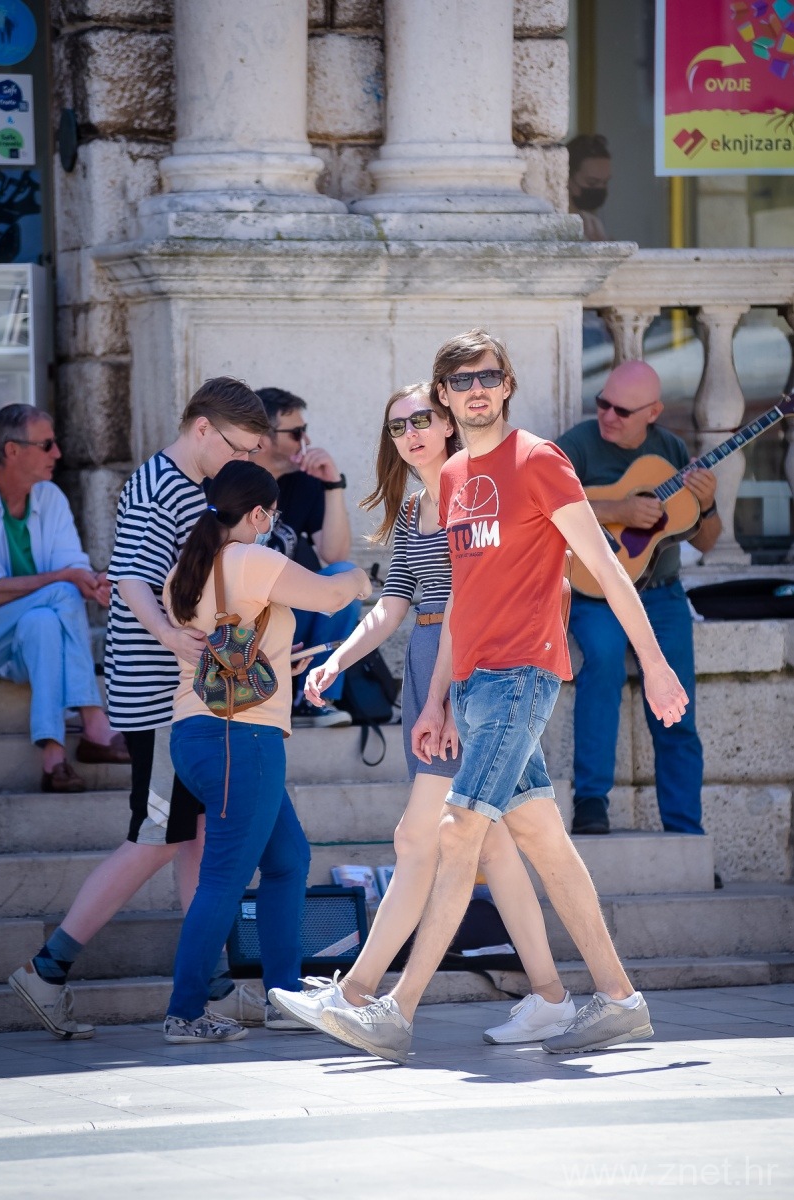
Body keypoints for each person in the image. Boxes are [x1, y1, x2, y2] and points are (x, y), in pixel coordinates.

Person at [317, 328, 690, 1064]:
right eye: (460, 382)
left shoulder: (540, 460)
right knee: (543, 841)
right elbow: (463, 597)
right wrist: (437, 701)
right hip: (471, 684)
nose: (476, 390)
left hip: (522, 675)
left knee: (458, 832)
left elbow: (604, 566)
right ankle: (619, 998)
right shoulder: (454, 476)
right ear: (446, 396)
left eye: (487, 376)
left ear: (507, 384)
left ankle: (394, 1010)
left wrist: (655, 664)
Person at [267, 383, 576, 1046]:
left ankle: (357, 992)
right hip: (427, 664)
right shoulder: (412, 510)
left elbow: (497, 596)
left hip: (474, 669)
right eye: (397, 426)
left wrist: (448, 695)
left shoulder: (481, 496)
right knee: (491, 843)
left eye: (420, 420)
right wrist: (337, 661)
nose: (409, 434)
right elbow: (393, 604)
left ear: (448, 425)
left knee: (418, 838)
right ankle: (550, 995)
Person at [8, 379, 284, 1039]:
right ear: (202, 429)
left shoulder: (192, 484)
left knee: (190, 838)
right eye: (240, 446)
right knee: (156, 839)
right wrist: (167, 635)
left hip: (185, 694)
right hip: (159, 695)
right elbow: (130, 572)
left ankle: (211, 986)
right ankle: (47, 969)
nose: (245, 460)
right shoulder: (159, 484)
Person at [162, 460, 371, 1043]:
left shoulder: (188, 566)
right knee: (224, 878)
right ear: (257, 514)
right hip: (241, 741)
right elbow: (331, 596)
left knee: (287, 860)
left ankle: (284, 996)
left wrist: (281, 661)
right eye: (272, 516)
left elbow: (221, 648)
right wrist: (361, 578)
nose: (272, 525)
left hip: (199, 735)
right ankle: (185, 1012)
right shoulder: (249, 560)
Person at [556, 360, 721, 838]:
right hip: (594, 593)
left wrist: (707, 503)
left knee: (677, 706)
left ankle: (686, 833)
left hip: (661, 595)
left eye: (622, 411)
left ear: (653, 413)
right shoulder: (576, 445)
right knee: (604, 663)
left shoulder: (670, 450)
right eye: (602, 403)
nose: (607, 416)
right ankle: (591, 803)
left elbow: (707, 540)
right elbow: (541, 509)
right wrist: (617, 509)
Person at [0, 404, 128, 794]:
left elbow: (71, 564)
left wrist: (92, 582)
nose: (58, 453)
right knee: (61, 592)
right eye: (47, 444)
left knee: (44, 622)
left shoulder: (49, 496)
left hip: (26, 640)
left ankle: (54, 758)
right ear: (12, 450)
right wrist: (68, 580)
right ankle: (94, 720)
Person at [253, 387, 360, 729]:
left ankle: (316, 698)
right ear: (262, 438)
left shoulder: (303, 484)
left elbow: (334, 555)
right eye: (296, 433)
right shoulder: (229, 483)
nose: (306, 440)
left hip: (290, 612)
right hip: (241, 618)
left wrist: (332, 485)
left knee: (343, 577)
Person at [567, 133, 611, 241]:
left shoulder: (595, 223)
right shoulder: (552, 219)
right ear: (568, 179)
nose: (600, 189)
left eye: (605, 182)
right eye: (592, 182)